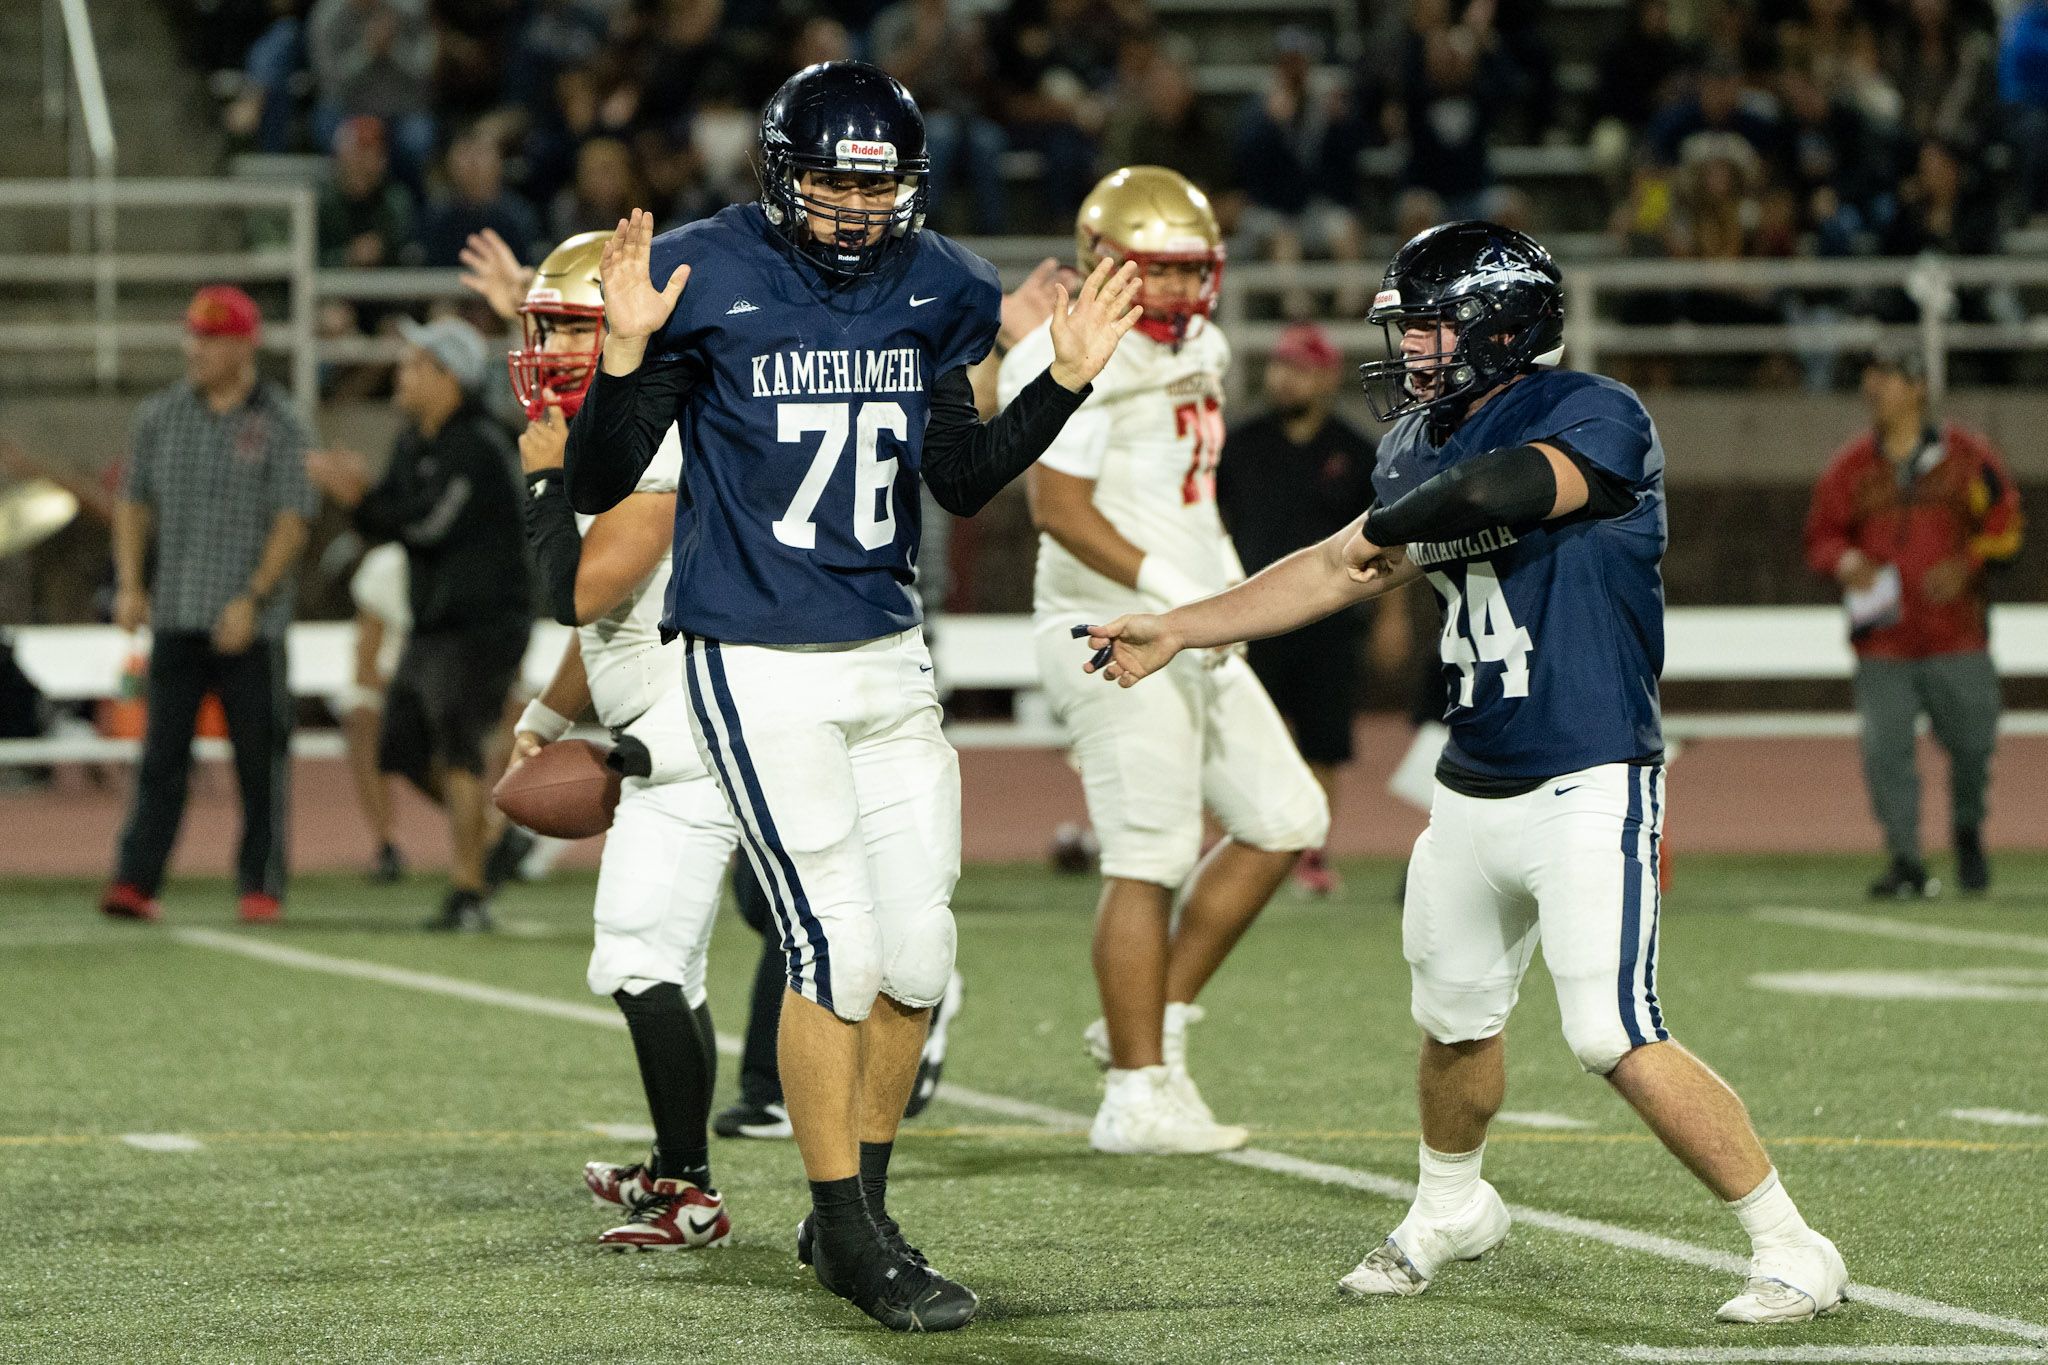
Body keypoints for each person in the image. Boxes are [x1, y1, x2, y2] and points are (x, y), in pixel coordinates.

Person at [1080, 222, 1849, 1325]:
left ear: (1501, 327)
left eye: (1431, 327)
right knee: (1451, 1021)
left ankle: (1791, 1244)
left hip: (1587, 777)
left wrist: (1382, 524)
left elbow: (1497, 491)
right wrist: (1179, 628)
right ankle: (1450, 1206)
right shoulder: (1412, 449)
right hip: (1469, 780)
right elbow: (1332, 568)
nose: (1413, 351)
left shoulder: (1590, 412)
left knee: (1608, 1031)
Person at [562, 61, 1142, 1333]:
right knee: (834, 943)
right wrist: (620, 352)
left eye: (877, 188)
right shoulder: (703, 272)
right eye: (830, 184)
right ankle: (842, 1228)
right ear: (780, 178)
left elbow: (962, 476)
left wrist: (1059, 381)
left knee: (919, 948)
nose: (855, 211)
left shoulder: (942, 281)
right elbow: (602, 478)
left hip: (886, 651)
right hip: (752, 653)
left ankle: (858, 1216)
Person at [1005, 165, 1329, 1156]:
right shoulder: (1069, 353)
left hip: (1190, 620)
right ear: (1105, 266)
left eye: (1195, 274)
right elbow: (1057, 512)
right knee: (1148, 850)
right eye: (1162, 273)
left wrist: (1212, 605)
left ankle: (1150, 1022)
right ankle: (1134, 1095)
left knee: (1286, 818)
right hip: (1104, 624)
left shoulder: (1207, 342)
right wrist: (1173, 595)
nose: (1184, 295)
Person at [497, 232, 749, 1249]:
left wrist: (545, 484)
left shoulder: (657, 439)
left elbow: (576, 590)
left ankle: (690, 1192)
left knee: (641, 957)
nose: (549, 347)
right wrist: (547, 718)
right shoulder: (621, 429)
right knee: (665, 966)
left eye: (569, 326)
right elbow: (604, 625)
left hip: (687, 732)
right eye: (542, 325)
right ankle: (677, 1170)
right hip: (672, 720)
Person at [306, 317, 535, 932]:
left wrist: (359, 499)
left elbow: (426, 524)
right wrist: (362, 500)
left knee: (460, 750)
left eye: (415, 366)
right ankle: (493, 840)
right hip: (435, 620)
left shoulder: (480, 446)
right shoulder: (416, 441)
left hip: (484, 622)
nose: (400, 376)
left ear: (449, 378)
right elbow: (392, 517)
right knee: (400, 749)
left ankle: (468, 893)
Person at [101, 286, 316, 925]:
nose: (195, 348)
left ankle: (261, 884)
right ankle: (135, 882)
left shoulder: (283, 420)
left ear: (243, 346)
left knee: (260, 763)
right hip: (177, 612)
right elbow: (134, 502)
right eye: (192, 335)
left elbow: (293, 518)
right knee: (160, 759)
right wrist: (133, 584)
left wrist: (253, 598)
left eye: (210, 338)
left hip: (253, 624)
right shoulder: (160, 417)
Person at [1803, 351, 2023, 897]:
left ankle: (1967, 829)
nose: (1873, 389)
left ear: (1919, 387)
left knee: (1973, 745)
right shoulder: (1851, 466)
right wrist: (1843, 560)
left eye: (1886, 378)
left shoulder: (1967, 457)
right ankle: (1906, 860)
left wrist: (1968, 566)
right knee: (1887, 755)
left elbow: (2006, 524)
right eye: (1868, 378)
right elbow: (1821, 535)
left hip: (1958, 636)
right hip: (1883, 643)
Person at [1216, 322, 1395, 898]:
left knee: (1322, 744)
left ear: (1326, 378)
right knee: (1243, 738)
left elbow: (1392, 540)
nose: (1282, 378)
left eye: (1296, 367)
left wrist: (1393, 618)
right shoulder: (1239, 445)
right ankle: (1244, 849)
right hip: (1251, 615)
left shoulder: (1355, 451)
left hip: (1329, 624)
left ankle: (1312, 854)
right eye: (1277, 365)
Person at [341, 541, 409, 882]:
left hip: (459, 681)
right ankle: (387, 844)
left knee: (514, 711)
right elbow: (366, 665)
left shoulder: (474, 558)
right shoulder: (385, 567)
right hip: (401, 685)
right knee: (362, 717)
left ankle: (500, 834)